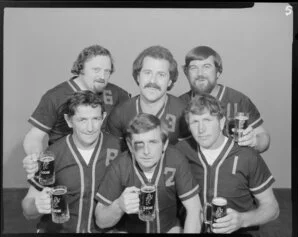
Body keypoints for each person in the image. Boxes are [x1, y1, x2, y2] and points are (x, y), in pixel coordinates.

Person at [175, 94, 279, 235]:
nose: (201, 129)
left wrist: (242, 220)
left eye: (207, 120)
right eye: (194, 122)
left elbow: (272, 208)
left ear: (222, 122)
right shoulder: (180, 151)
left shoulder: (247, 155)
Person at [22, 91, 121, 233]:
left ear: (103, 118)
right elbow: (27, 209)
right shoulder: (52, 155)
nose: (90, 127)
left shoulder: (119, 149)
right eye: (82, 120)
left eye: (96, 119)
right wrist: (37, 205)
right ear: (69, 121)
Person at [94, 113, 201, 233]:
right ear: (130, 146)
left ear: (164, 145)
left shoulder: (175, 159)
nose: (146, 151)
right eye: (139, 144)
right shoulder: (120, 165)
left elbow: (194, 210)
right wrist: (119, 205)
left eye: (153, 142)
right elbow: (101, 221)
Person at [23, 44, 130, 156]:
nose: (102, 76)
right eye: (96, 70)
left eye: (107, 71)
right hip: (65, 162)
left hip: (105, 162)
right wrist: (35, 158)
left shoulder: (118, 94)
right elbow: (34, 137)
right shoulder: (55, 96)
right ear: (81, 68)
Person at [180, 46, 270, 153]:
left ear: (218, 72)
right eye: (193, 68)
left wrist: (255, 141)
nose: (200, 73)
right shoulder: (178, 104)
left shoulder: (238, 100)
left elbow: (263, 137)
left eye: (206, 66)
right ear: (186, 72)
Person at [105, 45, 189, 151]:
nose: (153, 81)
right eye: (147, 73)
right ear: (138, 77)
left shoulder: (184, 113)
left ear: (170, 81)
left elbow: (189, 158)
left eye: (161, 75)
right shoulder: (120, 113)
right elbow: (115, 158)